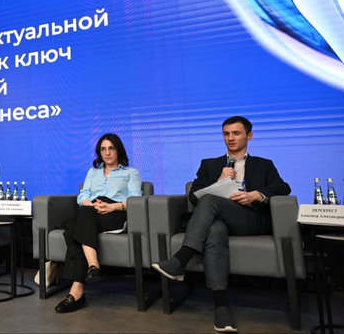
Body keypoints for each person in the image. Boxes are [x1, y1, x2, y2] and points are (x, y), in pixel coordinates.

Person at [152, 116, 291, 333]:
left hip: (249, 219)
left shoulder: (264, 164)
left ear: (249, 136)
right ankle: (221, 307)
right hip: (217, 220)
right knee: (215, 229)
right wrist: (218, 181)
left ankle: (181, 259)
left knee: (210, 202)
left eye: (236, 133)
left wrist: (255, 195)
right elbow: (194, 197)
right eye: (226, 134)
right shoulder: (209, 164)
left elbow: (283, 187)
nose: (230, 138)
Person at [54, 133, 142, 313]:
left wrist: (113, 206)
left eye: (111, 148)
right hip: (92, 210)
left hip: (115, 213)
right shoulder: (92, 172)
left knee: (70, 228)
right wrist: (92, 205)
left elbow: (135, 199)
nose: (107, 153)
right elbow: (83, 195)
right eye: (103, 149)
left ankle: (88, 273)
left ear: (118, 150)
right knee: (81, 217)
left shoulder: (130, 172)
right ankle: (82, 282)